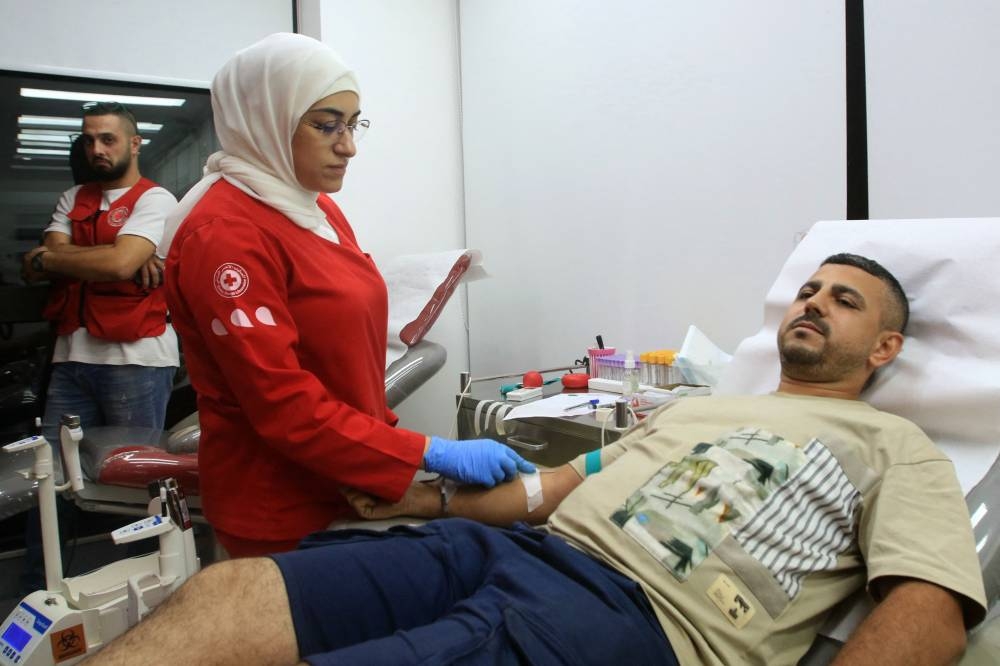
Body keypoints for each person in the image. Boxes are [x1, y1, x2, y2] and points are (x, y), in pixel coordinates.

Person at [86, 253, 987, 665]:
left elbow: (932, 611)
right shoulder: (700, 406)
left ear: (885, 349)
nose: (814, 303)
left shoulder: (895, 446)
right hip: (506, 549)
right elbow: (553, 487)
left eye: (845, 301)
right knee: (231, 591)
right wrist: (428, 502)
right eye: (809, 289)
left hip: (637, 619)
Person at [158, 33, 533, 558]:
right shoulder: (225, 236)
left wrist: (391, 453)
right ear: (267, 119)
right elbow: (283, 405)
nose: (348, 146)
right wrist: (426, 451)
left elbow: (344, 356)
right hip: (280, 505)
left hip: (347, 484)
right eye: (326, 125)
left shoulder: (312, 207)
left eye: (354, 124)